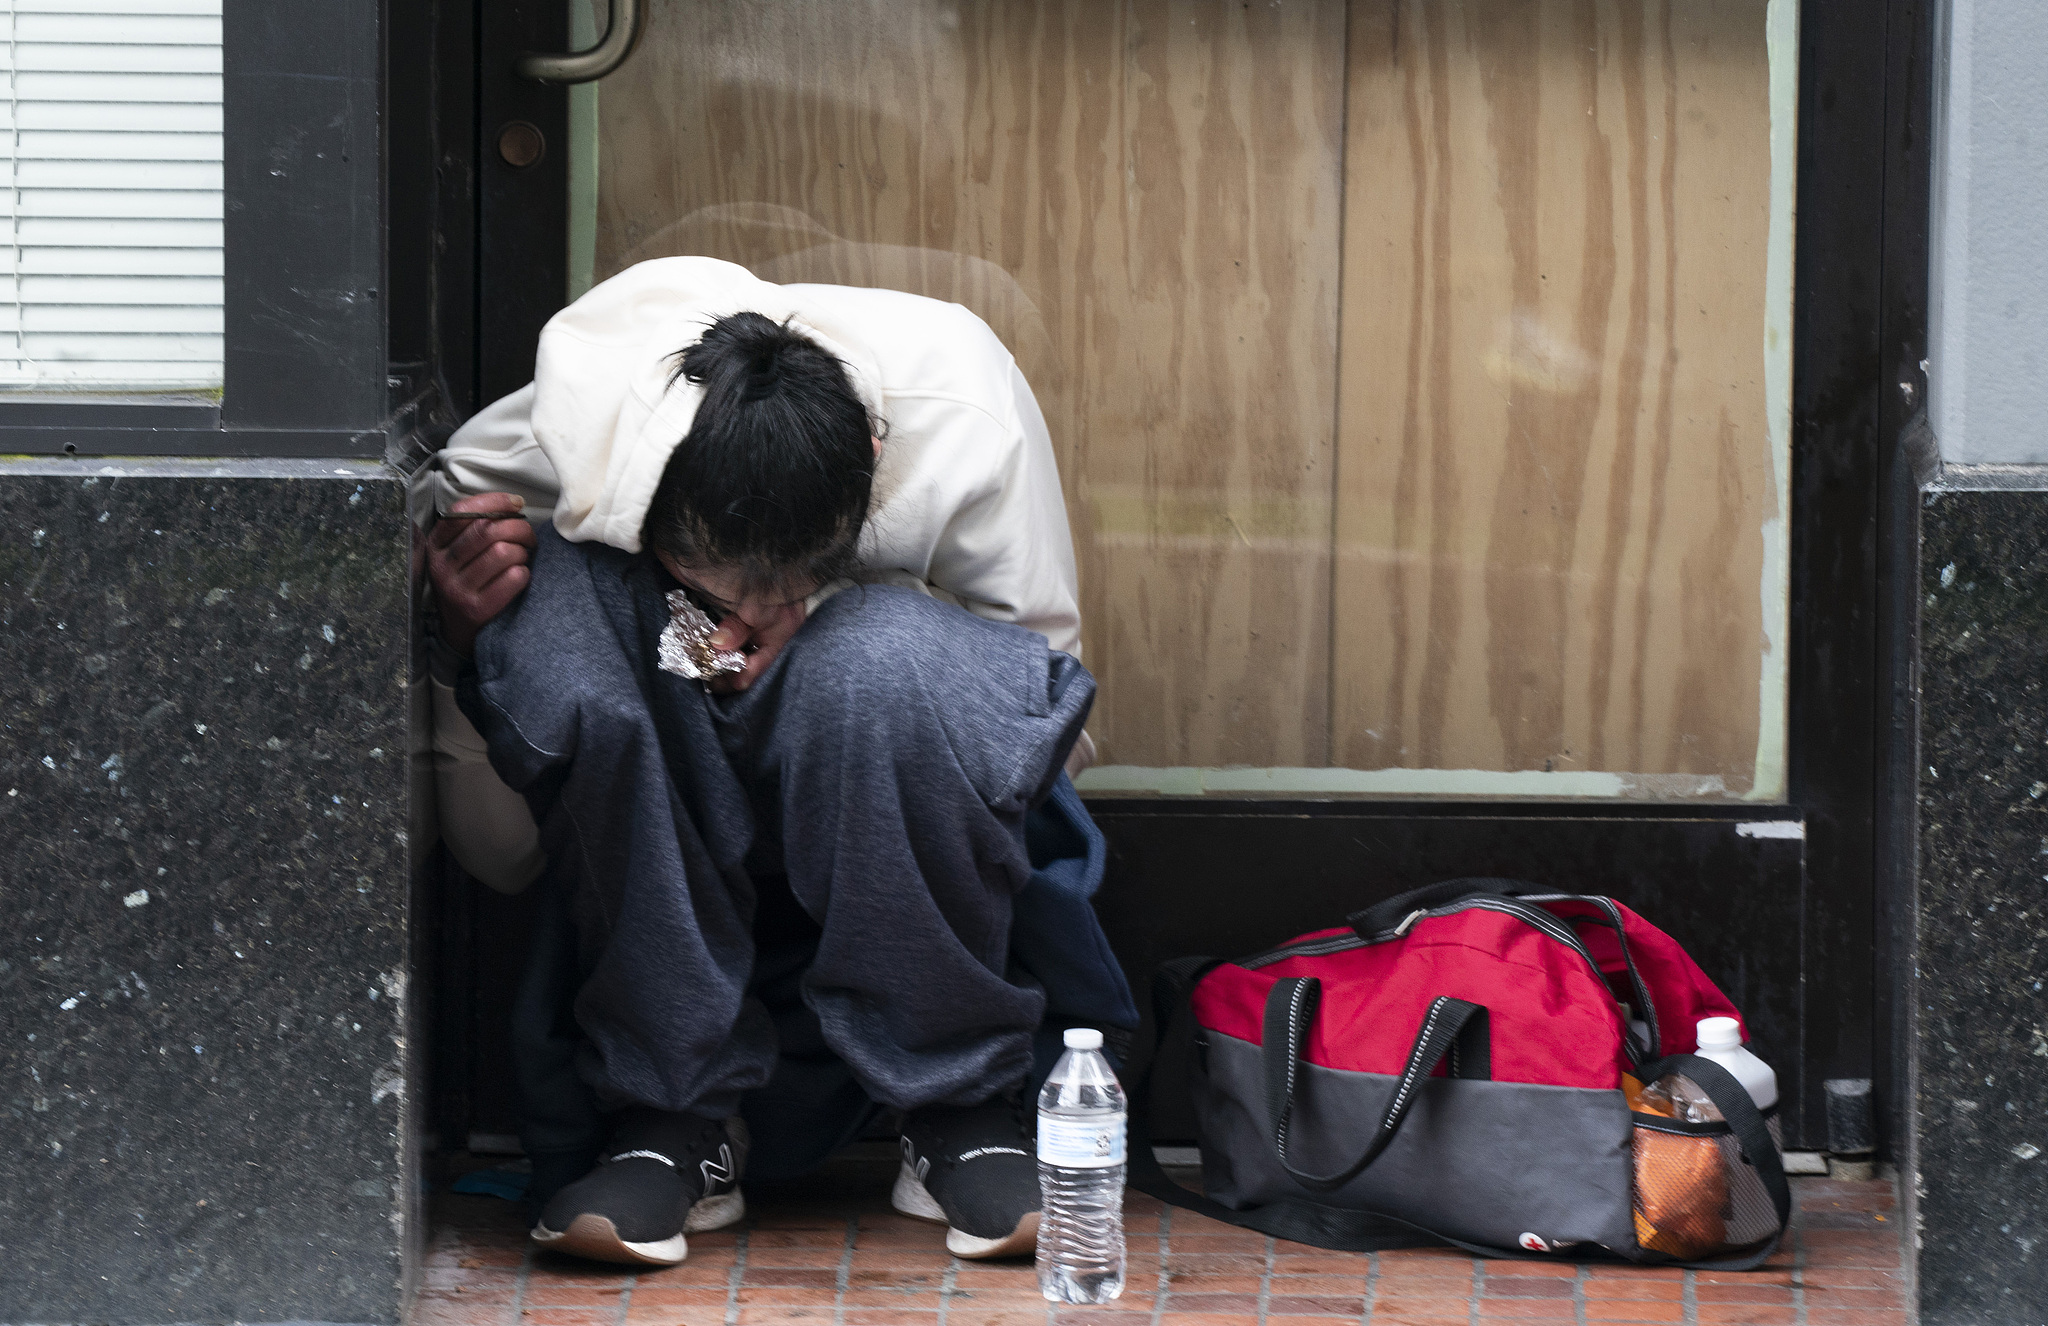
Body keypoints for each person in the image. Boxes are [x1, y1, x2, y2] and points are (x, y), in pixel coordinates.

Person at [424, 257, 1135, 1268]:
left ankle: (954, 1110)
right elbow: (498, 853)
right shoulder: (535, 444)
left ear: (875, 461)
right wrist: (458, 647)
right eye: (722, 587)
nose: (751, 618)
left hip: (881, 795)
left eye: (784, 586)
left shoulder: (962, 413)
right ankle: (668, 1122)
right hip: (652, 809)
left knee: (878, 658)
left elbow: (1036, 714)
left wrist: (827, 643)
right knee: (558, 620)